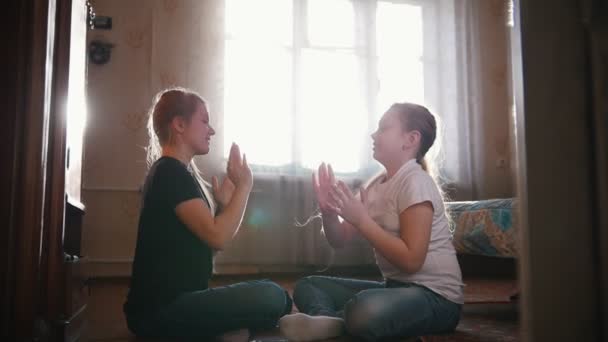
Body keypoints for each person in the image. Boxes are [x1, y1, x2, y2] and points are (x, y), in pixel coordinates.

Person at [279, 103, 463, 341]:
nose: (374, 134)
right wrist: (328, 212)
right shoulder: (375, 185)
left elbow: (412, 261)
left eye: (384, 128)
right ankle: (327, 322)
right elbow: (338, 240)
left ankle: (336, 320)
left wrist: (363, 221)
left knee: (364, 309)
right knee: (309, 285)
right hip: (395, 289)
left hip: (437, 299)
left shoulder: (416, 182)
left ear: (410, 139)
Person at [124, 87, 292, 341]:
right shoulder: (171, 173)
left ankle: (217, 332)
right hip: (160, 314)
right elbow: (218, 237)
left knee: (270, 298)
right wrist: (245, 186)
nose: (211, 130)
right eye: (204, 121)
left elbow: (203, 248)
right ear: (179, 124)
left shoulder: (174, 173)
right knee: (272, 294)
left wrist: (225, 207)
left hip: (165, 311)